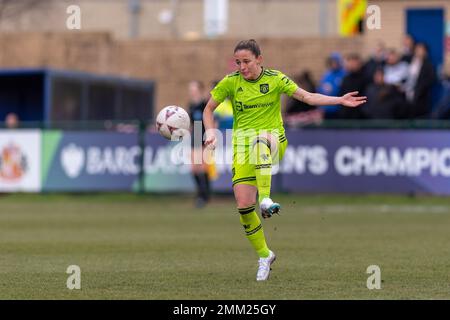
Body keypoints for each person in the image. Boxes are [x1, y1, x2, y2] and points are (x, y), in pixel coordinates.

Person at [202, 39, 366, 281]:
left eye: (246, 61)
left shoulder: (275, 79)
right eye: (238, 62)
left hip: (272, 140)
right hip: (241, 148)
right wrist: (209, 131)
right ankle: (264, 255)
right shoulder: (230, 82)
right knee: (244, 207)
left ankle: (266, 199)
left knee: (260, 141)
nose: (242, 67)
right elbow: (208, 109)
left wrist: (339, 100)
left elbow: (308, 97)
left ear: (259, 59)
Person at [188, 80, 211, 208]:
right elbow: (191, 123)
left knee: (202, 167)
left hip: (203, 134)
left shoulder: (204, 104)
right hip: (194, 135)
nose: (192, 92)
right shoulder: (191, 105)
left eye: (194, 89)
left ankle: (204, 196)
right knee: (194, 168)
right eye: (190, 89)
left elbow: (210, 118)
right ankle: (201, 194)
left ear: (199, 90)